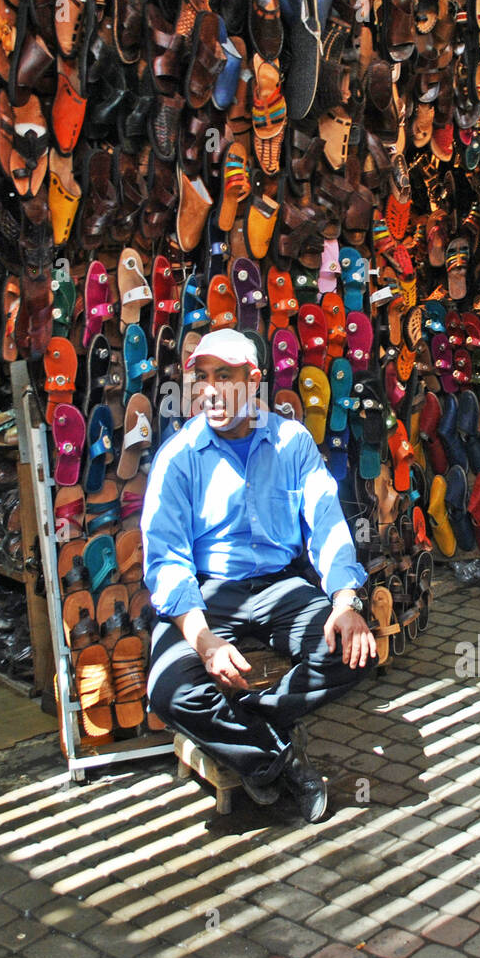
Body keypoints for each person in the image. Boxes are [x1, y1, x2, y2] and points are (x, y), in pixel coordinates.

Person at [140, 328, 376, 822]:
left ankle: (250, 727)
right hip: (205, 593)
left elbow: (327, 523)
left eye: (223, 377)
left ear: (254, 381)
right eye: (201, 378)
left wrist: (344, 602)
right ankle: (278, 760)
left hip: (279, 587)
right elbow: (165, 560)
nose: (208, 391)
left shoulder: (291, 443)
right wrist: (204, 642)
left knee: (354, 654)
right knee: (169, 690)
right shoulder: (179, 457)